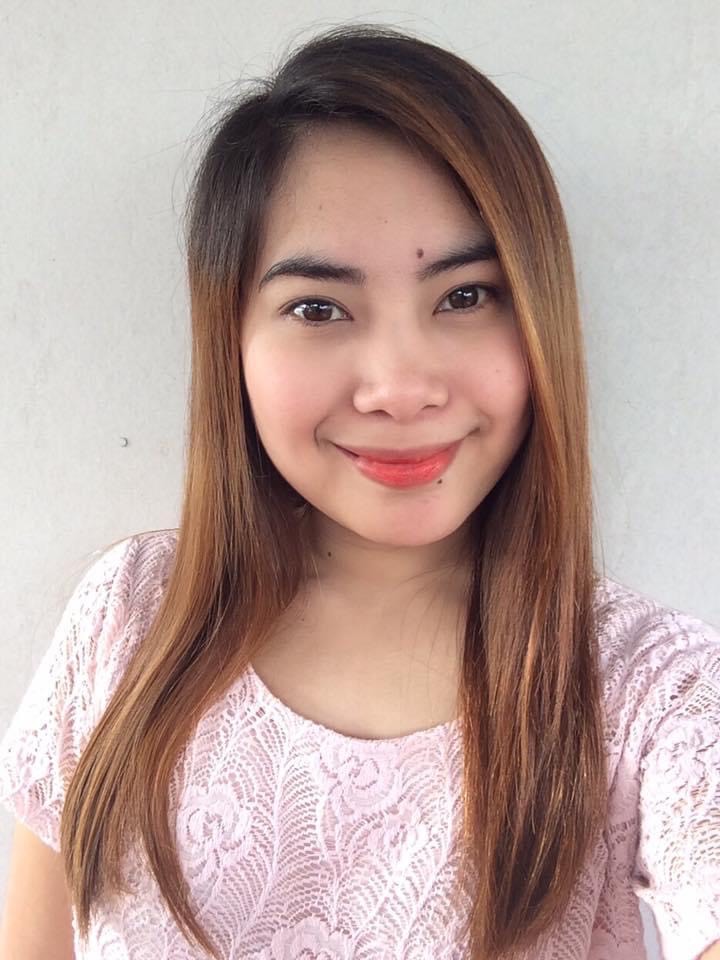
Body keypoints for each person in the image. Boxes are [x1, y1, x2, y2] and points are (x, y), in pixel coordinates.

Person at [0, 22, 718, 960]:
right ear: (232, 343)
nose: (401, 388)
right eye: (318, 308)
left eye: (465, 296)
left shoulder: (648, 689)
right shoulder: (130, 620)